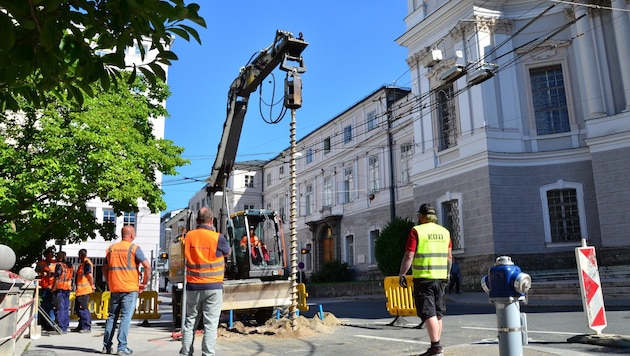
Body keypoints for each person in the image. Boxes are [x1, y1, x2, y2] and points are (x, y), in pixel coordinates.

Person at [399, 203, 452, 356]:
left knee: (428, 313)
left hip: (424, 279)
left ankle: (435, 347)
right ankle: (436, 346)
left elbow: (409, 255)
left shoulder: (416, 231)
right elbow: (449, 257)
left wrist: (402, 273)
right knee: (438, 313)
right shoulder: (445, 232)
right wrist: (447, 275)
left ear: (421, 216)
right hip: (441, 278)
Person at [180, 207, 230, 356]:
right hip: (213, 286)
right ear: (212, 220)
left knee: (190, 323)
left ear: (196, 221)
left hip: (193, 286)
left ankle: (186, 353)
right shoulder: (217, 237)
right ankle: (208, 354)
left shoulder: (189, 236)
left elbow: (184, 251)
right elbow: (227, 252)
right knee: (210, 325)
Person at [102, 225, 151, 355]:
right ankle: (122, 348)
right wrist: (144, 283)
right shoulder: (134, 248)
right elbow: (147, 266)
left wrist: (109, 280)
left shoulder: (111, 249)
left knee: (111, 317)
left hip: (115, 288)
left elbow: (104, 268)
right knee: (125, 318)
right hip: (129, 288)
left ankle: (106, 346)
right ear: (132, 235)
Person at [73, 248, 95, 333]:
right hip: (81, 290)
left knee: (83, 309)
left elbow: (89, 276)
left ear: (81, 255)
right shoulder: (83, 264)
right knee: (79, 309)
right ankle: (81, 325)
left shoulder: (86, 263)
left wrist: (92, 285)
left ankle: (86, 327)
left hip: (84, 290)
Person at [36, 246, 57, 331]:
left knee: (51, 306)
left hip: (52, 287)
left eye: (51, 255)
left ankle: (51, 323)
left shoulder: (55, 263)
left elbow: (58, 274)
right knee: (45, 306)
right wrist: (44, 273)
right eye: (48, 255)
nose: (50, 257)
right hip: (44, 287)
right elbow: (37, 272)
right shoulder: (41, 263)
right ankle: (45, 323)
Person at [51, 251, 73, 333]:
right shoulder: (69, 266)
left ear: (60, 257)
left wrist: (53, 288)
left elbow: (57, 277)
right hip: (68, 288)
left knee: (59, 308)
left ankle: (61, 327)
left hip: (60, 288)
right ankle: (65, 326)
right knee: (65, 308)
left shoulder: (59, 265)